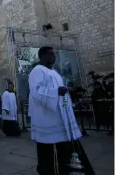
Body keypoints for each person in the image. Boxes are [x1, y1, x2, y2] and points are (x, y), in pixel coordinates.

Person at [29, 46, 95, 175]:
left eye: (54, 54)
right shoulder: (37, 71)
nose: (54, 56)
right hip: (49, 118)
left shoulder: (55, 72)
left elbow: (62, 92)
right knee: (51, 149)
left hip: (62, 118)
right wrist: (56, 92)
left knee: (66, 148)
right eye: (50, 54)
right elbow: (36, 93)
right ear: (42, 56)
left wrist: (71, 92)